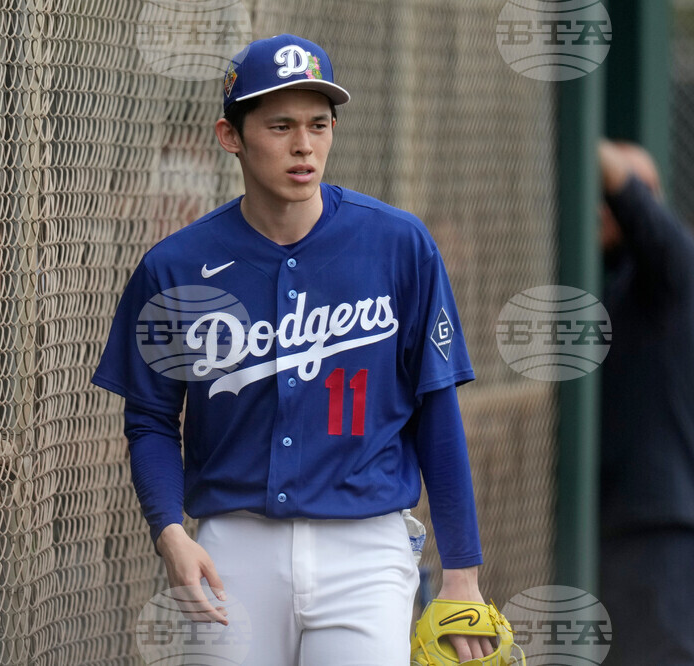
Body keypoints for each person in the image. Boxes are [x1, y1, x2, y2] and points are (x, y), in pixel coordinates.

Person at [93, 34, 491, 664]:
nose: (304, 144)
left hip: (365, 550)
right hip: (232, 549)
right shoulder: (175, 267)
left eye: (318, 123)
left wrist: (462, 573)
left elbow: (436, 408)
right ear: (232, 136)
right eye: (279, 125)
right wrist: (171, 532)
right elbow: (148, 419)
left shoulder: (398, 245)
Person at [598, 139, 694, 666]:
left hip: (658, 526)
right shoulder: (621, 283)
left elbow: (628, 189)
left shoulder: (672, 267)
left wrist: (587, 144)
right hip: (623, 522)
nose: (597, 209)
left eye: (606, 197)